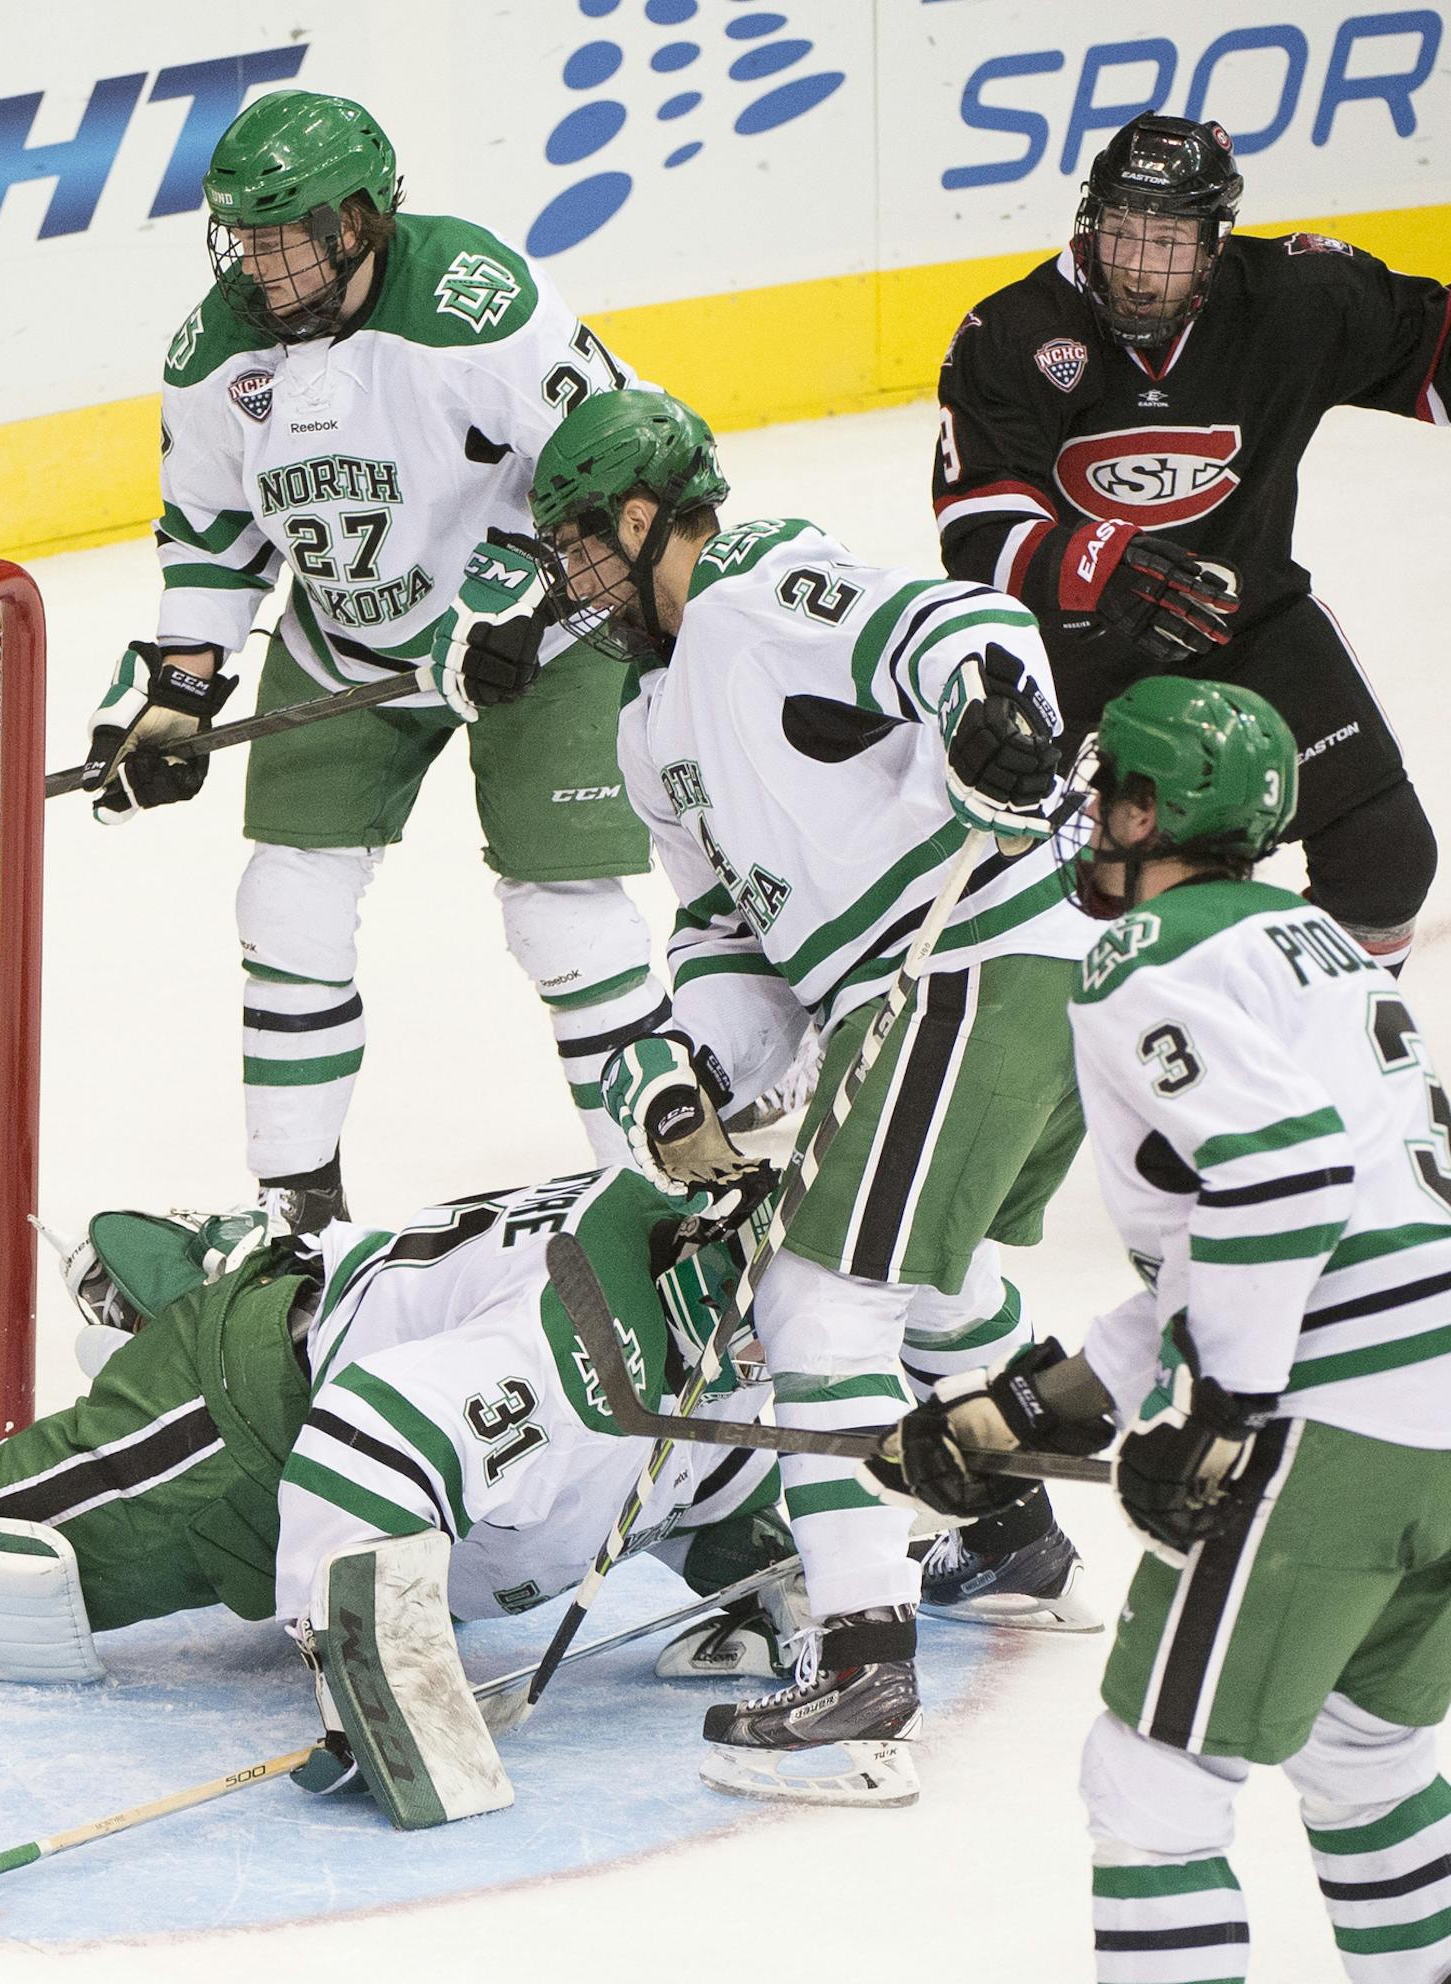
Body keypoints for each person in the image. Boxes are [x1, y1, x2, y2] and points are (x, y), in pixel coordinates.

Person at [0, 1163, 800, 1816]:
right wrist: (392, 1683)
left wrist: (784, 1590)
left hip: (345, 1345)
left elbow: (713, 1484)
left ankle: (204, 1261)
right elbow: (372, 1438)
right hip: (252, 1428)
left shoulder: (740, 1332)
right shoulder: (591, 1347)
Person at [522, 385, 1099, 1805]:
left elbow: (959, 627)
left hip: (969, 954)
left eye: (589, 543)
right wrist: (688, 1064)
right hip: (918, 990)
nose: (577, 578)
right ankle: (1015, 1533)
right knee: (922, 1283)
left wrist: (993, 717)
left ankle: (859, 1660)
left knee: (820, 1302)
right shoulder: (648, 728)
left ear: (648, 514)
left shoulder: (755, 578)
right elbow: (729, 935)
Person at [872, 677, 1451, 1983]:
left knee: (1153, 1786)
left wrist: (1225, 1414)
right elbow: (1251, 1238)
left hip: (1333, 1416)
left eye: (1108, 795)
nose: (1089, 819)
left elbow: (1280, 1182)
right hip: (1433, 1405)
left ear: (1150, 811)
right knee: (1367, 1761)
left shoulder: (1149, 956)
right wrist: (1040, 1407)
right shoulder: (1321, 949)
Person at [78, 88, 677, 1231]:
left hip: (540, 638)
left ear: (357, 221)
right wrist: (179, 689)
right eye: (242, 240)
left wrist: (524, 593)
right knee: (285, 903)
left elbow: (622, 453)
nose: (258, 268)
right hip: (349, 636)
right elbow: (213, 528)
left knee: (564, 911)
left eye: (284, 237)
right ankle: (296, 1211)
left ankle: (659, 1200)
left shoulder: (473, 300)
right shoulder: (215, 353)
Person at [933, 111, 1446, 973]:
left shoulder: (1298, 301)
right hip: (1076, 657)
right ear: (1090, 221)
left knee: (1388, 856)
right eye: (1121, 233)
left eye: (1167, 239)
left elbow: (1431, 347)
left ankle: (1322, 1030)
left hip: (1247, 626)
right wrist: (1098, 572)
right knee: (1066, 921)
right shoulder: (1015, 332)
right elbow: (978, 531)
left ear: (1213, 244)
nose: (1137, 267)